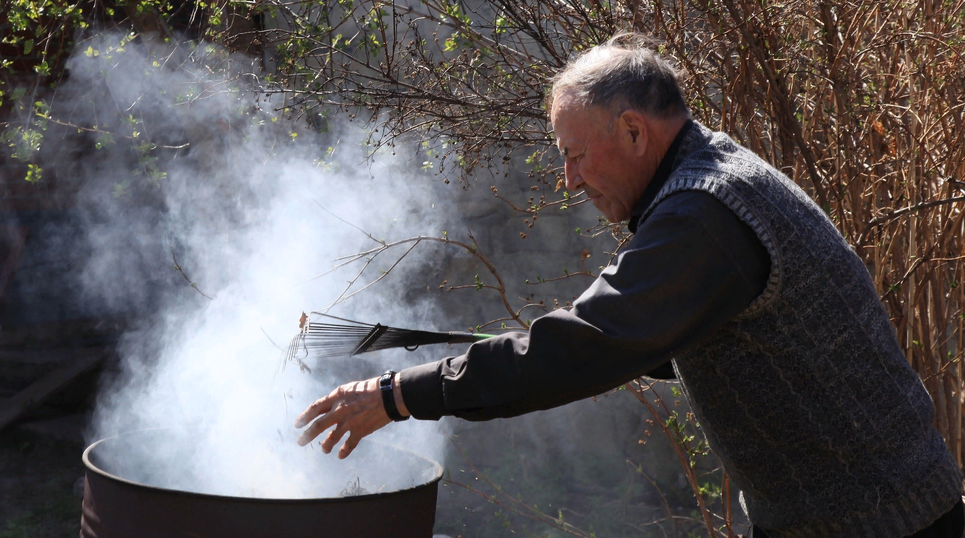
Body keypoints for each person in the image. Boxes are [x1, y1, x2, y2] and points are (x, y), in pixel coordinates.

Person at [295, 36, 964, 538]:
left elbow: (584, 348)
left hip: (879, 521)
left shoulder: (703, 210)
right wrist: (598, 341)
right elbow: (645, 339)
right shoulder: (711, 179)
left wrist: (398, 393)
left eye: (573, 153)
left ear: (635, 130)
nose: (568, 178)